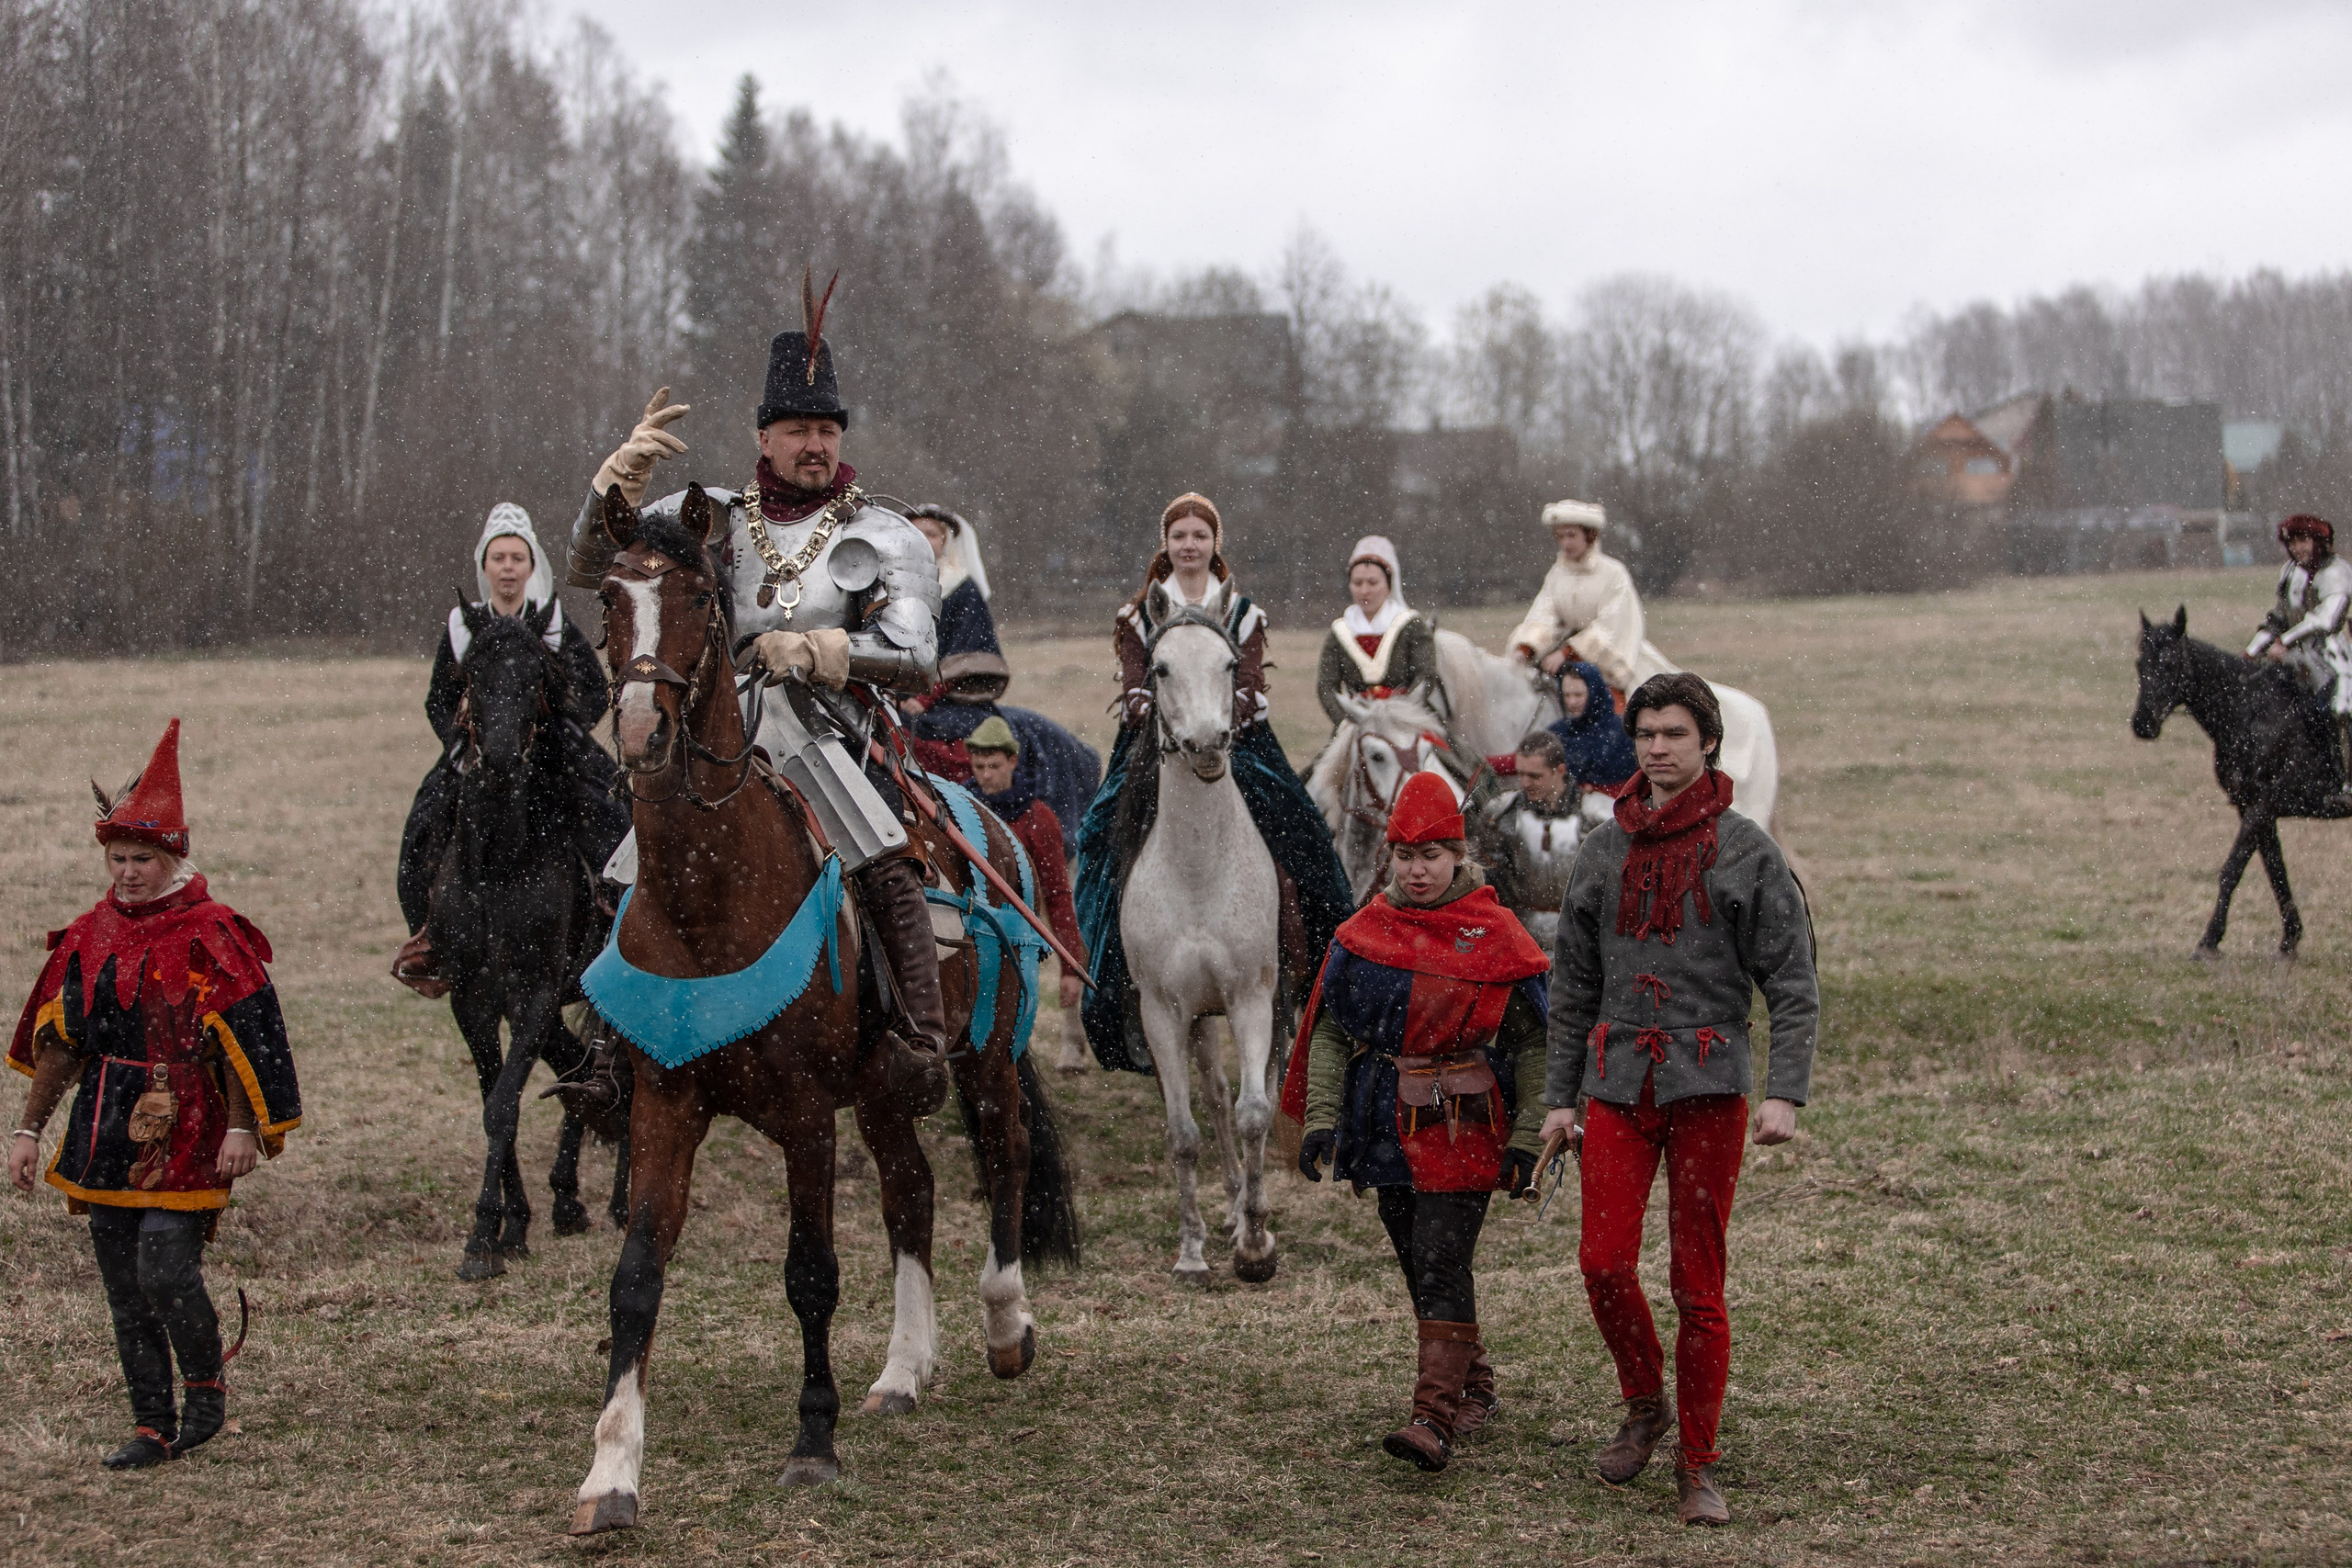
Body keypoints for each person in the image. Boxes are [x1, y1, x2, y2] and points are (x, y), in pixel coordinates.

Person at [564, 276, 957, 1112]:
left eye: (825, 430)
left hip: (832, 734)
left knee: (881, 854)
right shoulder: (708, 515)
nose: (813, 445)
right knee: (625, 864)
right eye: (796, 431)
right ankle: (608, 1045)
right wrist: (611, 493)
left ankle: (918, 1034)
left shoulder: (883, 532)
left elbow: (920, 654)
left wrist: (821, 649)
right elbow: (600, 573)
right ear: (763, 437)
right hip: (715, 731)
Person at [1540, 673, 1817, 1527]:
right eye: (1647, 733)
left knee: (1699, 1283)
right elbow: (1573, 984)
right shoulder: (1600, 850)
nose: (1658, 747)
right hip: (1617, 1084)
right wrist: (1558, 1099)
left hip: (1709, 1087)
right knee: (1601, 1262)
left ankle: (1699, 1461)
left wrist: (1785, 1093)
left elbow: (1794, 983)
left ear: (1708, 743)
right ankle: (1643, 1401)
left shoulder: (1748, 851)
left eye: (1675, 733)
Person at [7, 720, 300, 1470]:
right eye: (118, 858)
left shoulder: (213, 932)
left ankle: (204, 1400)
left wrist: (243, 1125)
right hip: (105, 1123)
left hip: (193, 1121)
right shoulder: (88, 934)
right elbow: (64, 1042)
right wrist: (30, 1129)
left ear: (172, 857)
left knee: (165, 1270)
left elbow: (244, 1038)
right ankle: (149, 1423)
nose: (129, 872)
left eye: (142, 858)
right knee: (123, 1285)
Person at [1283, 772, 1551, 1473]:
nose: (1418, 869)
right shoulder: (1366, 931)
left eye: (1432, 854)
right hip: (1384, 1123)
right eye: (1405, 855)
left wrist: (1527, 1139)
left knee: (1438, 1257)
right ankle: (1478, 1385)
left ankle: (1432, 1418)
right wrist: (1320, 1119)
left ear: (1459, 854)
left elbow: (1533, 1042)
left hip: (1465, 1120)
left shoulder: (1493, 934)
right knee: (1419, 1257)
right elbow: (1334, 1031)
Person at [1074, 492, 1354, 1074]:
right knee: (1100, 839)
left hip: (1239, 741)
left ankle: (1317, 970)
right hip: (1155, 744)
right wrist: (1156, 708)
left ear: (1214, 544)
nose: (1190, 545)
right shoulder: (1138, 614)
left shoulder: (1242, 612)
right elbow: (1134, 684)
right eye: (1180, 536)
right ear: (1166, 544)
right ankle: (1115, 983)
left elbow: (1250, 681)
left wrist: (1221, 714)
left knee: (1302, 830)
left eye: (1200, 535)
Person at [393, 504, 628, 995]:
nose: (507, 567)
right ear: (484, 566)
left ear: (530, 565)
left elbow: (592, 687)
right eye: (497, 557)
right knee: (423, 827)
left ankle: (615, 921)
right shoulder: (462, 625)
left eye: (516, 557)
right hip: (475, 757)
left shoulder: (553, 623)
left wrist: (559, 731)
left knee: (610, 816)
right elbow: (438, 698)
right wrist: (462, 742)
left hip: (549, 759)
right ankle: (430, 936)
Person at [900, 503, 1102, 855]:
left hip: (955, 699)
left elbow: (968, 653)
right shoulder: (897, 589)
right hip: (902, 695)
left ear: (946, 540)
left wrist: (926, 697)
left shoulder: (961, 591)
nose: (923, 540)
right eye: (916, 532)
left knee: (946, 739)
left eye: (931, 533)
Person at [966, 716, 1086, 1017]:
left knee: (1009, 1030)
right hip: (966, 937)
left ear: (1013, 761)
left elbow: (1058, 895)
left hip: (1016, 942)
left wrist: (1070, 968)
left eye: (994, 766)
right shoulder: (960, 809)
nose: (985, 776)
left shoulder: (1038, 819)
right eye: (978, 767)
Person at [1507, 500, 1645, 696]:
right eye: (1560, 536)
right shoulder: (1557, 574)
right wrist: (1526, 647)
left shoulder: (1614, 573)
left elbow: (1611, 626)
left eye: (1572, 535)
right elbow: (1544, 614)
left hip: (1608, 664)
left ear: (1589, 536)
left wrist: (1567, 653)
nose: (1565, 543)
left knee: (1620, 711)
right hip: (1562, 661)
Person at [2247, 513, 2352, 772]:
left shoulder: (2338, 572)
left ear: (2318, 541)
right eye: (2292, 542)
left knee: (2338, 711)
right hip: (2297, 660)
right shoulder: (2290, 572)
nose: (2297, 548)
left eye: (2303, 540)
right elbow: (2279, 618)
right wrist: (2252, 651)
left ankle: (2345, 781)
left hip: (2337, 660)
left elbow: (2325, 621)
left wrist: (2285, 640)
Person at [1316, 534, 1445, 729]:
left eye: (1373, 583)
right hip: (1356, 722)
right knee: (1324, 761)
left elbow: (1426, 675)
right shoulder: (1339, 631)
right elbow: (1326, 686)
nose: (1364, 591)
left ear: (1389, 584)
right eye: (1357, 583)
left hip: (1408, 719)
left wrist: (1401, 714)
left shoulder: (1411, 625)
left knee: (1453, 756)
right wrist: (1346, 722)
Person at [1477, 729, 1588, 949]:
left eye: (1535, 776)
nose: (1525, 783)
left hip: (1580, 936)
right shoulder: (1500, 814)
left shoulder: (1596, 815)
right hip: (1517, 935)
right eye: (1521, 774)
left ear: (1560, 771)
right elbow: (1486, 881)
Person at [1546, 659, 1640, 791]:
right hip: (1565, 808)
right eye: (1567, 695)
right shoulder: (1558, 732)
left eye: (1578, 695)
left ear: (1594, 693)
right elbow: (1529, 758)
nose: (1571, 702)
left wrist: (1597, 791)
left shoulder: (1623, 731)